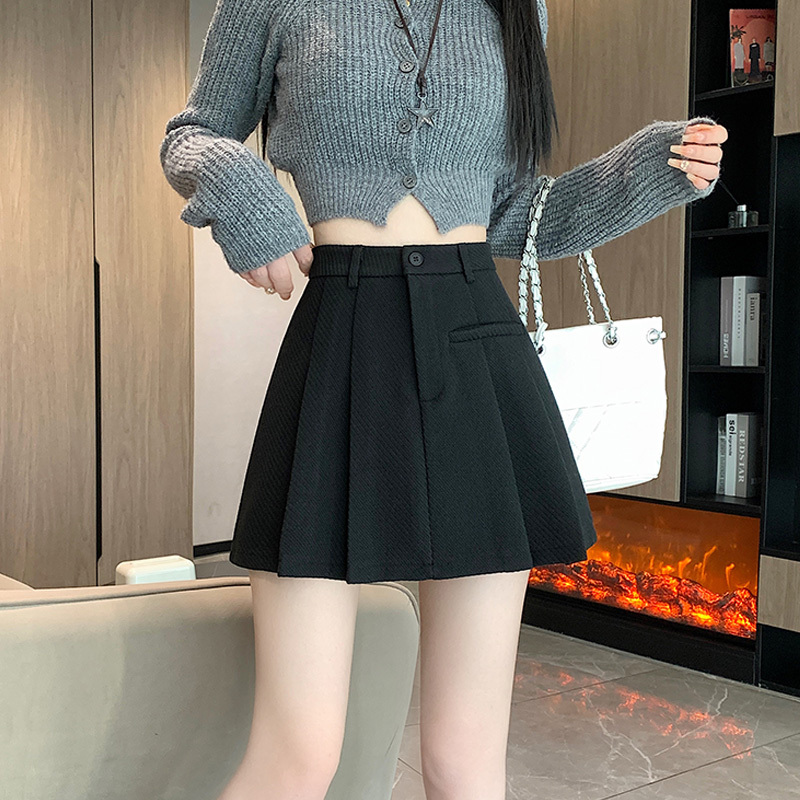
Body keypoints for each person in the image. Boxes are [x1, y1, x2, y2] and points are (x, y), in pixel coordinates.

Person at [159, 0, 727, 797]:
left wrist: (644, 171)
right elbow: (191, 135)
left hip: (476, 346)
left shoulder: (517, 9)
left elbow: (512, 213)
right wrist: (241, 190)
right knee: (299, 752)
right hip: (339, 344)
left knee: (465, 763)